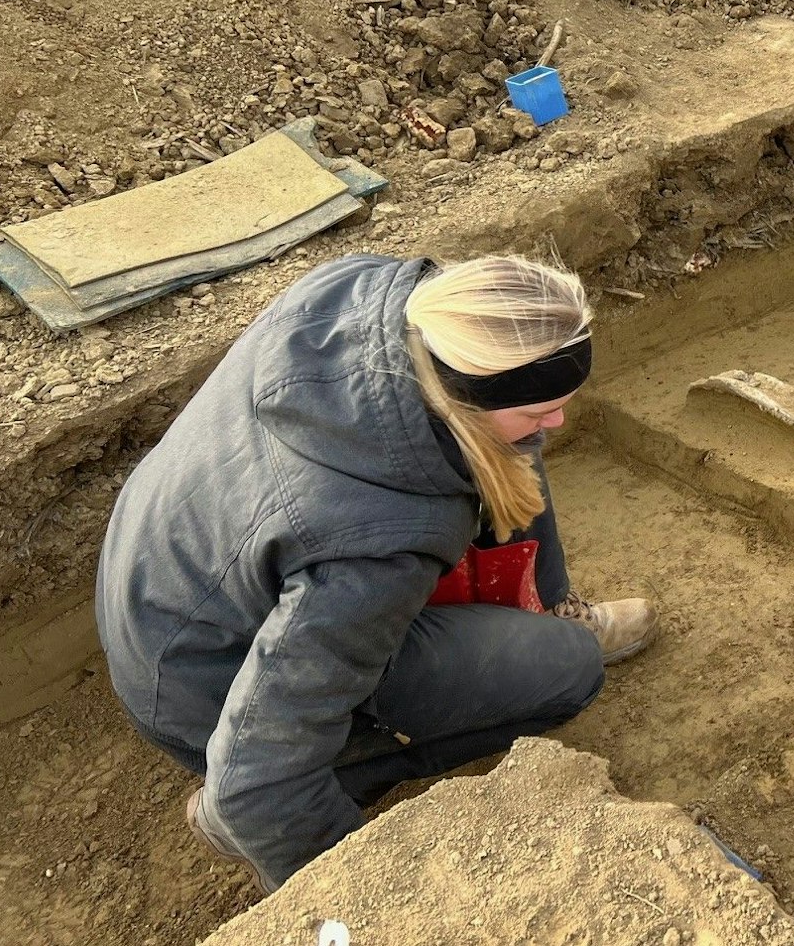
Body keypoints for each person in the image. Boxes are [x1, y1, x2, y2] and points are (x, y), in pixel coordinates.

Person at [94, 252, 658, 892]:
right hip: (208, 683)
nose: (558, 420)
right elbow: (262, 778)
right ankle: (329, 776)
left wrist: (525, 421)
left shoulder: (375, 297)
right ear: (466, 393)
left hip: (167, 579)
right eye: (540, 407)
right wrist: (357, 907)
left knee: (514, 451)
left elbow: (515, 428)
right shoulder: (376, 547)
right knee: (566, 670)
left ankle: (554, 609)